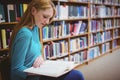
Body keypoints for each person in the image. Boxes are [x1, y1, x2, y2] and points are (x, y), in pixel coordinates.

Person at [9, 0, 84, 80]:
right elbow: (16, 70)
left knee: (77, 74)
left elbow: (33, 53)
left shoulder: (35, 28)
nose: (47, 22)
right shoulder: (25, 33)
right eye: (45, 17)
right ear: (33, 11)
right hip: (31, 77)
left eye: (49, 18)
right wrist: (39, 71)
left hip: (38, 72)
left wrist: (40, 57)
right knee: (77, 76)